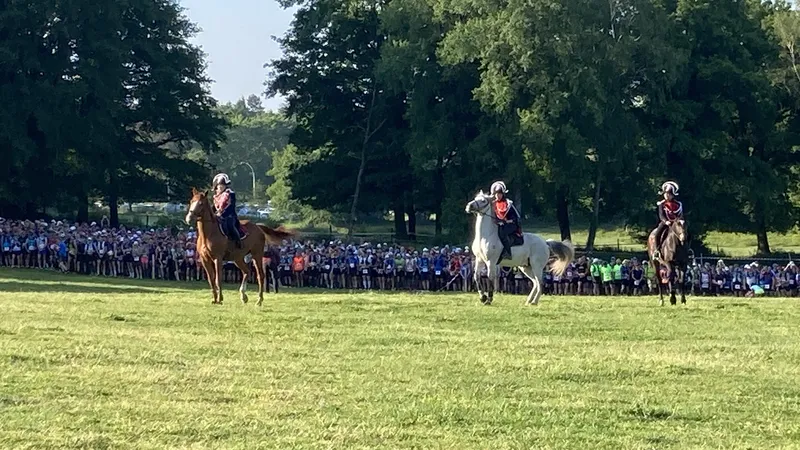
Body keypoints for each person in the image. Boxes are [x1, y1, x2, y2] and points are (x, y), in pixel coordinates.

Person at [490, 181, 520, 261]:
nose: (497, 195)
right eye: (496, 194)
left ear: (503, 194)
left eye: (499, 193)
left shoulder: (508, 203)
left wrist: (506, 221)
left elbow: (515, 218)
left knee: (502, 233)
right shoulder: (493, 204)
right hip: (500, 224)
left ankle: (507, 252)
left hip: (511, 224)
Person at [212, 173, 242, 248]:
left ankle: (238, 241)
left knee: (230, 226)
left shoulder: (230, 194)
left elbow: (231, 206)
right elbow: (214, 207)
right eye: (220, 185)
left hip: (229, 216)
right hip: (217, 216)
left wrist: (222, 214)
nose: (221, 187)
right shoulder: (215, 196)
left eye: (223, 185)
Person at [655, 180, 684, 251]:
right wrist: (666, 221)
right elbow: (661, 215)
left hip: (676, 223)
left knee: (686, 233)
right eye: (665, 193)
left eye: (669, 194)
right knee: (657, 234)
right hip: (666, 223)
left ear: (673, 195)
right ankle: (657, 250)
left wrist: (680, 220)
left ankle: (687, 250)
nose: (667, 195)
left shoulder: (678, 204)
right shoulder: (661, 204)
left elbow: (680, 215)